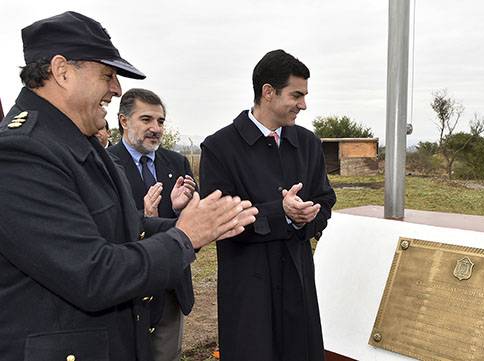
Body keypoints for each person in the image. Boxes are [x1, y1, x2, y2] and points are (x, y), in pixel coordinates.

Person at [0, 11, 257, 361]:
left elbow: (125, 226)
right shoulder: (20, 153)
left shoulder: (78, 141)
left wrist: (201, 224)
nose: (116, 88)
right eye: (107, 75)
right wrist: (185, 237)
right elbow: (93, 274)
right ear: (62, 71)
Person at [200, 49, 336, 361]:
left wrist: (306, 218)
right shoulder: (220, 147)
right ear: (268, 92)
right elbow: (220, 217)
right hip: (248, 288)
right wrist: (282, 213)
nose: (304, 104)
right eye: (297, 95)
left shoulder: (309, 144)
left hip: (298, 282)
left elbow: (325, 200)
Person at [108, 88, 197, 361]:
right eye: (146, 120)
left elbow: (193, 228)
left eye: (160, 121)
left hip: (169, 286)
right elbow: (104, 227)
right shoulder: (105, 164)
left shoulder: (176, 162)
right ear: (124, 121)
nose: (156, 128)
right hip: (125, 292)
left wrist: (182, 209)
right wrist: (144, 216)